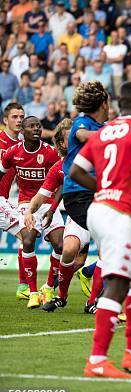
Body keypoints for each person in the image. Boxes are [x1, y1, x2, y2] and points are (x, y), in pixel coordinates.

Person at [71, 81, 131, 378]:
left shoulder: (104, 132)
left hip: (101, 209)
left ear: (118, 104)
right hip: (118, 213)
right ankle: (97, 359)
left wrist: (104, 188)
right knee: (118, 285)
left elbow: (75, 171)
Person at [24, 119, 91, 311]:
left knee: (106, 255)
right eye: (70, 137)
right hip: (80, 216)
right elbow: (42, 195)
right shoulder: (59, 168)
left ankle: (95, 301)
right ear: (62, 143)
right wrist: (30, 210)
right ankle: (60, 295)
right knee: (68, 251)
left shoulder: (97, 157)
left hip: (105, 213)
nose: (76, 139)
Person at [0, 116, 64, 309]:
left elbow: (62, 181)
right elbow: (1, 173)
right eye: (32, 126)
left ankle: (49, 287)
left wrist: (53, 207)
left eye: (38, 126)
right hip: (26, 204)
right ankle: (33, 293)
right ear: (23, 132)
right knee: (27, 239)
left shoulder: (51, 153)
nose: (36, 129)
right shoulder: (12, 153)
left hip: (48, 203)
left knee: (60, 245)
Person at [62, 81, 108, 314]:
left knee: (110, 244)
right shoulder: (83, 122)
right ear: (104, 103)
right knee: (111, 241)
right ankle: (92, 298)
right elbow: (81, 135)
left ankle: (94, 297)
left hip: (96, 193)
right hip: (78, 194)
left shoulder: (105, 126)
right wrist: (110, 134)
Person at [0, 103, 27, 300]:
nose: (19, 120)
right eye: (15, 116)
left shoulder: (22, 146)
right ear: (5, 120)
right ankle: (24, 286)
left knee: (27, 235)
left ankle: (24, 286)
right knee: (26, 234)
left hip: (5, 199)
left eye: (21, 117)